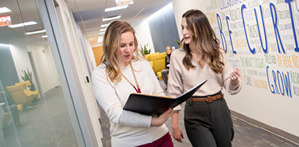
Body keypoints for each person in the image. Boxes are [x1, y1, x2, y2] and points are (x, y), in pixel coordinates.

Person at [91, 20, 174, 147]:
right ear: (111, 45)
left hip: (160, 136)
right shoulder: (100, 74)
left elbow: (159, 92)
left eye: (131, 44)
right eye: (122, 45)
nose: (128, 50)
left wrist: (167, 105)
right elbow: (116, 114)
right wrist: (153, 121)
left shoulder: (142, 63)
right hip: (130, 142)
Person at [168, 9, 242, 147]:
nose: (183, 32)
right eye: (182, 27)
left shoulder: (217, 52)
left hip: (219, 108)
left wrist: (233, 80)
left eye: (188, 28)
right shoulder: (177, 56)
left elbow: (229, 84)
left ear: (200, 28)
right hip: (195, 112)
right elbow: (174, 93)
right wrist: (174, 126)